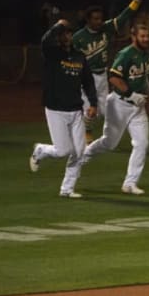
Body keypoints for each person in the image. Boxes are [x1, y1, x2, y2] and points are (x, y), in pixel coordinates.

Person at [74, 21, 149, 196]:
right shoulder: (126, 54)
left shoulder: (146, 55)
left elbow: (143, 78)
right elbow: (113, 78)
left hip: (138, 108)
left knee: (142, 143)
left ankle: (130, 183)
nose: (146, 39)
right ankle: (81, 157)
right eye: (142, 36)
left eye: (148, 35)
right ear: (133, 36)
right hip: (119, 104)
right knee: (109, 143)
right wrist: (130, 94)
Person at [29, 19, 98, 198]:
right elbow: (44, 41)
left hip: (75, 110)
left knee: (79, 151)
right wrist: (57, 26)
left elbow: (88, 82)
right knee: (63, 151)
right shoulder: (52, 54)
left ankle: (67, 189)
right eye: (64, 33)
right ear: (59, 36)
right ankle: (40, 151)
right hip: (55, 109)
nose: (68, 36)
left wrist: (93, 103)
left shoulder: (79, 57)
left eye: (69, 33)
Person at [72, 0, 146, 144]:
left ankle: (107, 136)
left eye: (100, 18)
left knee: (104, 111)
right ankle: (85, 133)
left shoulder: (106, 28)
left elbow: (125, 15)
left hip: (102, 75)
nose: (99, 21)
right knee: (90, 110)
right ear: (88, 20)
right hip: (86, 77)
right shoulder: (79, 37)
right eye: (95, 19)